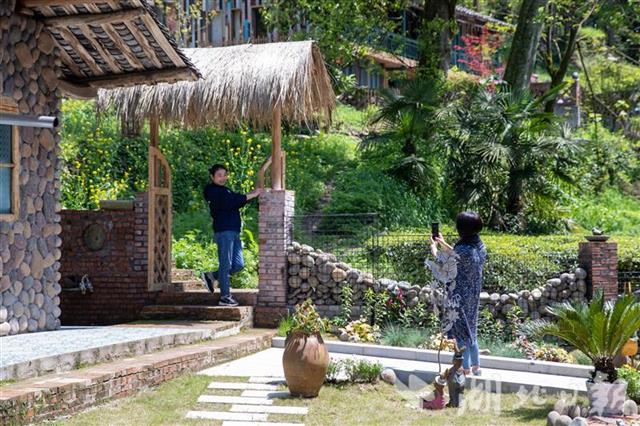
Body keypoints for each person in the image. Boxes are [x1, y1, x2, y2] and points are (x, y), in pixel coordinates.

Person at [430, 211, 486, 376]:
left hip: (459, 295)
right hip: (473, 294)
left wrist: (434, 248)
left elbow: (443, 262)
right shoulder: (479, 245)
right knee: (471, 329)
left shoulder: (464, 249)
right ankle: (476, 367)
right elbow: (456, 253)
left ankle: (464, 368)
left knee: (461, 332)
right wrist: (443, 243)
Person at [201, 164, 263, 306]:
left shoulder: (226, 190)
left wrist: (251, 195)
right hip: (224, 231)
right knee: (226, 264)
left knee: (238, 265)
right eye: (219, 175)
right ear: (212, 177)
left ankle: (211, 276)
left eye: (225, 175)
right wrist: (252, 194)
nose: (223, 178)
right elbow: (232, 201)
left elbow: (237, 201)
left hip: (234, 231)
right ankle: (225, 297)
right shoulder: (212, 191)